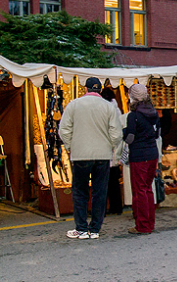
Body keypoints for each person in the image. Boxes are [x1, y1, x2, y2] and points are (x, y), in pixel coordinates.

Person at [59, 77, 122, 239]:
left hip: (80, 154)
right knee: (99, 191)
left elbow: (64, 130)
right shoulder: (109, 107)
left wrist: (70, 146)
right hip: (102, 154)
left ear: (85, 89)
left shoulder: (74, 105)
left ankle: (81, 228)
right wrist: (113, 149)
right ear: (100, 90)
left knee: (80, 191)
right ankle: (94, 229)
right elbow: (116, 134)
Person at [123, 83, 161, 234]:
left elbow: (130, 138)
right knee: (148, 190)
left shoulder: (134, 116)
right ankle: (149, 224)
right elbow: (157, 134)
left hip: (139, 156)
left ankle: (143, 226)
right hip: (152, 154)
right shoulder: (154, 113)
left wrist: (124, 132)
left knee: (139, 191)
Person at [100, 87, 124, 215]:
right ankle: (117, 207)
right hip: (116, 151)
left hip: (105, 150)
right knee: (114, 182)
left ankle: (103, 209)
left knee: (103, 183)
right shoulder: (117, 109)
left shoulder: (104, 110)